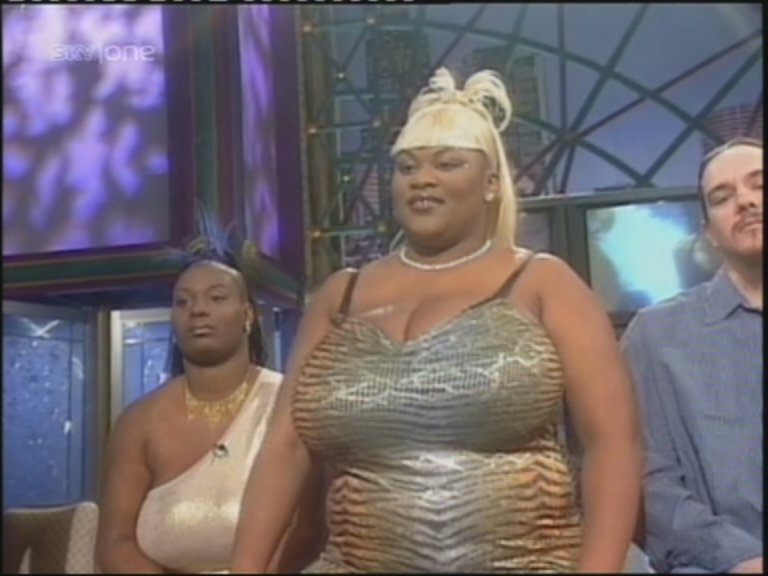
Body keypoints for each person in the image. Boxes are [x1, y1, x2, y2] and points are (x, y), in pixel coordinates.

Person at [230, 68, 643, 573]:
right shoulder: (340, 296)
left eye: (448, 163)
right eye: (406, 167)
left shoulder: (543, 283)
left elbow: (613, 444)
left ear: (491, 184)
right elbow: (285, 448)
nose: (422, 178)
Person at [96, 223, 324, 574]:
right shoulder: (138, 422)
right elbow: (115, 543)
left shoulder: (291, 406)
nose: (197, 310)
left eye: (216, 298)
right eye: (183, 302)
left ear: (248, 316)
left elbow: (309, 529)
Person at [621, 137, 763, 574]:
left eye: (760, 184)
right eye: (722, 197)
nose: (746, 201)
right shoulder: (655, 336)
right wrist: (742, 558)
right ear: (708, 232)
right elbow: (649, 483)